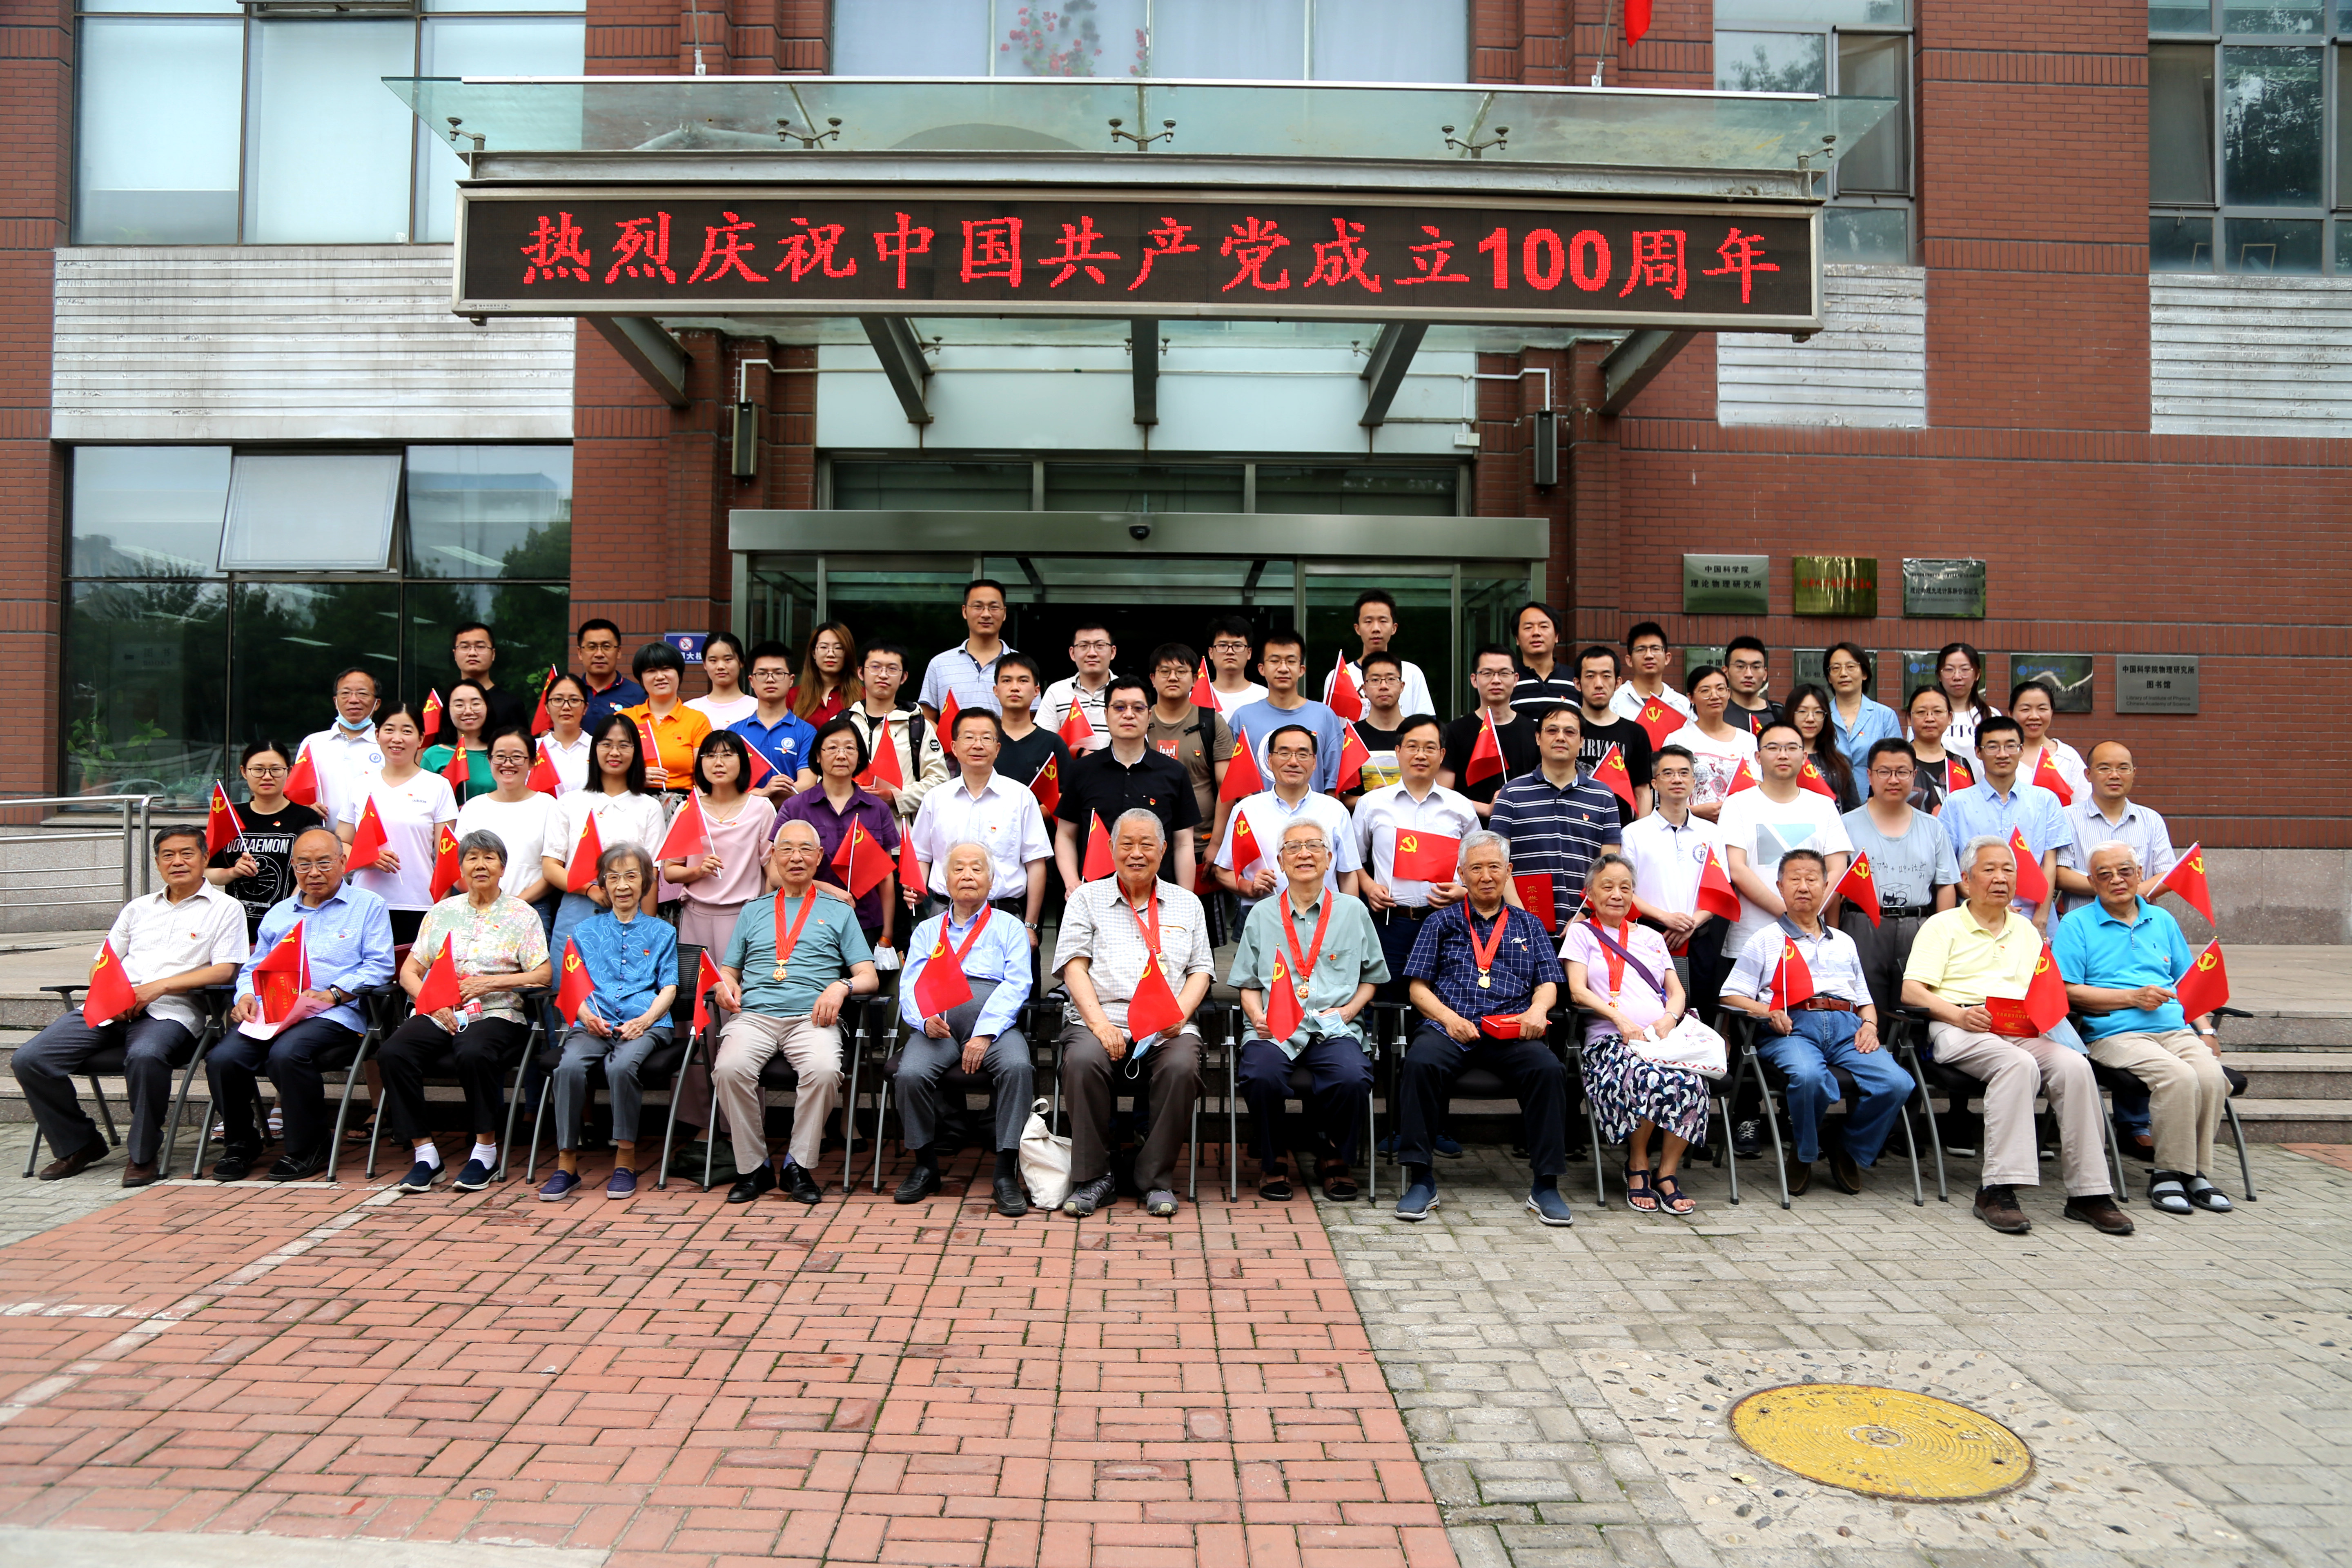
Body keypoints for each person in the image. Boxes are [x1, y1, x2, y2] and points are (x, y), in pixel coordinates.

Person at [1902, 835, 2133, 1237]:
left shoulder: (2025, 929)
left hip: (2019, 1027)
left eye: (2008, 870)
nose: (2001, 878)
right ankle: (1998, 1189)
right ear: (1966, 881)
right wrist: (1960, 1015)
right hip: (1960, 1025)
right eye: (1989, 870)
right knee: (2017, 1064)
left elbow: (2041, 989)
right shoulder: (1942, 925)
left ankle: (2090, 1193)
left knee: (2075, 1066)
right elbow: (1912, 992)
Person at [13, 826, 248, 1185]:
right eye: (168, 855)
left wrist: (157, 987)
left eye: (187, 853)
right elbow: (102, 963)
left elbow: (225, 969)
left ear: (204, 858)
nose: (178, 862)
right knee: (30, 1059)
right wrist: (115, 994)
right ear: (157, 862)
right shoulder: (138, 908)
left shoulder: (226, 909)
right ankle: (80, 1144)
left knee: (146, 1056)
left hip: (173, 1012)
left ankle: (142, 1154)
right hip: (113, 1008)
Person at [1394, 830, 1574, 1226]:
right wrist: (1449, 1019)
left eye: (1495, 867)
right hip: (1450, 1027)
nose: (1486, 876)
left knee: (1548, 1070)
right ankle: (1420, 1180)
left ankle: (1546, 1186)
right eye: (1476, 868)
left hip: (1510, 1030)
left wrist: (1537, 1011)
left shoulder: (1530, 925)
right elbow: (1417, 989)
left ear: (1509, 871)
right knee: (1419, 1064)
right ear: (1462, 874)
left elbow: (1549, 983)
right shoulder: (1440, 922)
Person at [2055, 842, 2234, 1216]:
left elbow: (2188, 982)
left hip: (2174, 1029)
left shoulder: (2163, 920)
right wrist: (2131, 998)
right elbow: (2067, 991)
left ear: (2139, 875)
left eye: (2125, 871)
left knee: (2211, 1076)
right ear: (2092, 882)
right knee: (2178, 1077)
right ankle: (2167, 1173)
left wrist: (2207, 1031)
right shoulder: (2076, 924)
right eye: (2104, 875)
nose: (2116, 880)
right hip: (2113, 1033)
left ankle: (2195, 1173)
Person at [1718, 849, 1909, 1196]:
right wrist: (1767, 1012)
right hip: (1792, 1028)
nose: (1804, 887)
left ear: (1825, 887)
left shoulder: (1845, 942)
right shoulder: (1765, 939)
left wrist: (1870, 1026)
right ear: (1780, 887)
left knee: (1897, 1083)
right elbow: (1730, 996)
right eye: (1795, 879)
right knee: (1808, 1077)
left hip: (1847, 1028)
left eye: (1812, 879)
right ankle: (1805, 1152)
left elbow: (1864, 1000)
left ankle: (1846, 1147)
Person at [1053, 809, 1215, 1218]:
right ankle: (1095, 1178)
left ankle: (1153, 1179)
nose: (1136, 853)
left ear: (1163, 850)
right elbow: (1074, 967)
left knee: (1182, 1066)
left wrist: (1180, 1013)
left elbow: (1201, 970)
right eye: (1127, 844)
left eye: (1147, 845)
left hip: (1167, 1023)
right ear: (1111, 848)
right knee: (1083, 1061)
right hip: (1102, 1017)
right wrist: (1099, 1025)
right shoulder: (1086, 898)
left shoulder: (1187, 903)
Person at [205, 829, 393, 1182]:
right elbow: (254, 968)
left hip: (334, 1012)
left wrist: (334, 994)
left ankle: (309, 1146)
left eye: (324, 863)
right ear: (293, 867)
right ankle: (241, 1143)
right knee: (223, 1059)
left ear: (343, 862)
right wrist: (245, 995)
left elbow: (380, 966)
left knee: (287, 1054)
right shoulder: (280, 913)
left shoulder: (368, 906)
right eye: (304, 865)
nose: (314, 872)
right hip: (275, 1009)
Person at [709, 821, 880, 1204]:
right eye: (786, 849)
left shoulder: (839, 912)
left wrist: (841, 986)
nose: (796, 857)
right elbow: (729, 970)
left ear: (819, 858)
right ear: (774, 856)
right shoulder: (753, 910)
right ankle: (754, 1168)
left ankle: (797, 1166)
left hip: (812, 1018)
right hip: (755, 1016)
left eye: (805, 849)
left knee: (824, 1071)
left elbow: (868, 976)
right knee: (729, 1070)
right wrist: (725, 984)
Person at [382, 830, 552, 1194]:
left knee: (473, 1051)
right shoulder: (442, 912)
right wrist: (434, 1003)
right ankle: (425, 1154)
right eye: (472, 858)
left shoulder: (522, 915)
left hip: (498, 1012)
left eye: (489, 858)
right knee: (394, 1052)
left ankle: (485, 1151)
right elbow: (409, 972)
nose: (480, 865)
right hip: (441, 1010)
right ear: (460, 868)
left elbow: (543, 975)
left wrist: (490, 984)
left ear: (503, 868)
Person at [1231, 821, 1387, 1202]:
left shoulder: (1353, 911)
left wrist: (1350, 1011)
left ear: (1329, 859)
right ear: (1281, 862)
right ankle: (1274, 1158)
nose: (1305, 854)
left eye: (1315, 846)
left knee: (1353, 1076)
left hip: (1334, 1026)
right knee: (1260, 1075)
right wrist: (1256, 1016)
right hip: (1275, 1028)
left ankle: (1334, 1155)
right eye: (1294, 847)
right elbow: (1247, 982)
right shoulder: (1262, 914)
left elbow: (1372, 977)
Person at [893, 841, 1036, 1216]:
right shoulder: (927, 930)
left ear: (991, 880)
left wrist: (985, 1033)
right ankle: (925, 1165)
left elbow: (1018, 984)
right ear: (945, 880)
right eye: (958, 869)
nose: (967, 875)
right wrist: (924, 1019)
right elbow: (910, 985)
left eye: (976, 868)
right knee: (909, 1075)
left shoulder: (1010, 927)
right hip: (938, 1025)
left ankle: (1005, 1172)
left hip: (994, 1025)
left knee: (1018, 1068)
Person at [1563, 853, 1702, 1217]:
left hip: (1660, 1039)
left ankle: (1666, 1173)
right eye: (1607, 887)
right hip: (1610, 1040)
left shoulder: (1653, 938)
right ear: (1590, 893)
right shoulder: (1581, 933)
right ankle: (1637, 1163)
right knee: (1648, 1077)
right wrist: (1620, 1020)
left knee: (1692, 1082)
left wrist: (1669, 1019)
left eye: (1625, 888)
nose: (1617, 895)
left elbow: (1676, 992)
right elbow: (1577, 991)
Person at [539, 842, 678, 1200]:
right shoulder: (584, 931)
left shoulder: (662, 932)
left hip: (644, 1023)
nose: (622, 886)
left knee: (621, 1067)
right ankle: (566, 1165)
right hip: (593, 1022)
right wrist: (586, 1017)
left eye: (631, 876)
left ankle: (625, 1161)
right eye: (613, 878)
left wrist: (645, 1021)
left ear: (645, 882)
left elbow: (669, 987)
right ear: (602, 884)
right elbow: (572, 985)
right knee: (568, 1067)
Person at [1351, 714, 1479, 989]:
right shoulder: (1372, 803)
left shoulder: (1460, 806)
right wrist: (1369, 886)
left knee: (1448, 998)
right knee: (1388, 999)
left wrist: (1465, 892)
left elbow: (1478, 862)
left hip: (1449, 921)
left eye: (1430, 748)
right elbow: (1353, 860)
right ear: (1398, 751)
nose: (1421, 755)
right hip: (1391, 922)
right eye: (1412, 746)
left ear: (1442, 755)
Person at [904, 708, 1053, 944]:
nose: (978, 745)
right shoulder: (935, 799)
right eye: (969, 737)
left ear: (998, 748)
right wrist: (915, 888)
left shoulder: (1021, 797)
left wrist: (1031, 925)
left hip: (1004, 915)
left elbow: (1036, 863)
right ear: (954, 747)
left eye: (986, 738)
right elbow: (921, 856)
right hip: (944, 914)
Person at [1840, 739, 1961, 1020]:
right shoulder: (1846, 824)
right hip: (1863, 925)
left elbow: (1945, 885)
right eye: (1884, 772)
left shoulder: (1933, 827)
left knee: (1917, 1010)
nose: (1893, 780)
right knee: (1865, 1010)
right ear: (1870, 775)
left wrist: (1942, 936)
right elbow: (1836, 888)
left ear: (1914, 775)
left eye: (1902, 772)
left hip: (1918, 927)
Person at [1056, 676, 1199, 893]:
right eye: (1120, 707)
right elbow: (1066, 835)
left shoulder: (1174, 773)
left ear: (1149, 716)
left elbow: (1183, 843)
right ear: (1106, 714)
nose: (1129, 715)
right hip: (1094, 893)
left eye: (1138, 708)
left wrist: (1184, 899)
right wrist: (1072, 883)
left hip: (1158, 895)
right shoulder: (1082, 771)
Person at [1619, 744, 1728, 1018]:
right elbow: (1625, 890)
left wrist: (1692, 923)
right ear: (1655, 783)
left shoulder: (1712, 833)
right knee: (1652, 1014)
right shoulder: (1634, 833)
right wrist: (1666, 918)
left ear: (1693, 781)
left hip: (1699, 937)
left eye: (1684, 773)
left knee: (1699, 1015)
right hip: (1649, 935)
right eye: (1668, 773)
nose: (1677, 779)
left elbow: (1721, 889)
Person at [337, 702, 459, 946]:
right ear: (377, 735)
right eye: (390, 729)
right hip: (364, 903)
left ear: (421, 738)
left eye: (407, 731)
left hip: (420, 904)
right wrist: (368, 857)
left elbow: (446, 856)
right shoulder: (360, 785)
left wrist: (441, 909)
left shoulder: (438, 786)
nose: (397, 739)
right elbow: (340, 845)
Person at [543, 716, 666, 955]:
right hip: (577, 908)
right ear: (594, 749)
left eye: (624, 745)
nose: (615, 752)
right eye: (607, 744)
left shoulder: (649, 807)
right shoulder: (570, 802)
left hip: (631, 913)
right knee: (573, 979)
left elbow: (651, 875)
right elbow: (550, 867)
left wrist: (647, 930)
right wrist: (590, 891)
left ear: (636, 752)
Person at [777, 717, 900, 956]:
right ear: (818, 756)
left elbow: (885, 877)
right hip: (806, 920)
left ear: (860, 757)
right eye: (832, 748)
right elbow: (775, 874)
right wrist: (828, 890)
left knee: (863, 979)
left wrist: (887, 934)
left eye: (850, 748)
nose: (841, 755)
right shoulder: (795, 808)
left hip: (865, 923)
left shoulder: (877, 809)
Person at [1490, 704, 1621, 924]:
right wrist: (1522, 916)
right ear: (1538, 738)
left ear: (1582, 741)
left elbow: (1610, 866)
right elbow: (1496, 862)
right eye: (1552, 731)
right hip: (1521, 920)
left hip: (1587, 923)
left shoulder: (1603, 796)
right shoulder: (1511, 793)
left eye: (1570, 732)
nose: (1561, 737)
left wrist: (1584, 915)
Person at [1938, 716, 2066, 931]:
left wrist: (2042, 917)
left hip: (2033, 918)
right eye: (1993, 747)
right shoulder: (1956, 803)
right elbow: (1949, 867)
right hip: (1975, 919)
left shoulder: (2045, 800)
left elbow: (2049, 863)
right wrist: (1989, 902)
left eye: (2010, 746)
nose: (2003, 754)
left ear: (2022, 750)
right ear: (1978, 752)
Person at [1215, 725, 1361, 905]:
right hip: (1263, 914)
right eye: (1284, 754)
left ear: (1314, 762)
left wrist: (1352, 916)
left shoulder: (1335, 810)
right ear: (1270, 760)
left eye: (1302, 754)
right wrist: (1249, 887)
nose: (1293, 762)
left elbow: (1348, 874)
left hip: (1326, 915)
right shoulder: (1246, 811)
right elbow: (1223, 871)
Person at [662, 730, 779, 953]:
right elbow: (671, 872)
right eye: (710, 756)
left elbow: (771, 872)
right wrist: (698, 871)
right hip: (696, 915)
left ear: (742, 761)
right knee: (697, 976)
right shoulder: (689, 808)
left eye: (727, 755)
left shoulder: (761, 808)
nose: (718, 763)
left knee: (737, 977)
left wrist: (763, 914)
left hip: (744, 915)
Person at [206, 740, 324, 938]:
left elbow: (312, 871)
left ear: (289, 771)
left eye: (276, 770)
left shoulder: (306, 817)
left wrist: (287, 916)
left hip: (289, 924)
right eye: (258, 770)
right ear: (244, 772)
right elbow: (207, 872)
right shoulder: (230, 816)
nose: (267, 777)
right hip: (236, 927)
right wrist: (233, 872)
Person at [1145, 641, 1234, 880]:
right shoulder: (1140, 722)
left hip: (1201, 844)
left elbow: (1227, 787)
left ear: (1195, 679)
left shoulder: (1212, 723)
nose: (1173, 678)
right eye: (1165, 671)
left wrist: (1217, 843)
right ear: (1153, 678)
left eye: (1181, 671)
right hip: (1146, 844)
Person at [454, 729, 560, 929]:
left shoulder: (549, 806)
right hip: (478, 909)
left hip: (531, 908)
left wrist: (513, 905)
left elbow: (554, 868)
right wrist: (487, 902)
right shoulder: (473, 807)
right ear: (489, 760)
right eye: (500, 757)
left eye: (517, 757)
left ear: (532, 762)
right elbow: (457, 866)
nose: (508, 764)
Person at [2057, 741, 2178, 911]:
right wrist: (2113, 889)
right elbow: (2060, 874)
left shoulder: (2151, 820)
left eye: (2123, 768)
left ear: (2134, 773)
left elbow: (2168, 874)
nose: (2114, 775)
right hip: (2086, 921)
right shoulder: (2067, 818)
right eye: (2105, 768)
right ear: (2088, 774)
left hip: (2140, 920)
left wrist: (2133, 892)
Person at [1228, 630, 1351, 794]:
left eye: (1291, 661)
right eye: (1275, 661)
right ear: (1262, 669)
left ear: (1301, 670)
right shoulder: (1243, 718)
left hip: (1313, 810)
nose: (1283, 668)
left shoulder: (1324, 716)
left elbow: (1334, 782)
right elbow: (1235, 780)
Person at [846, 640, 949, 829]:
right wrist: (848, 792)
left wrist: (896, 797)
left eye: (892, 669)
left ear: (904, 677)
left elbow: (940, 781)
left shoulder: (918, 726)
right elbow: (823, 779)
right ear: (861, 672)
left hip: (900, 834)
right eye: (875, 667)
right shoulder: (842, 723)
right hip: (847, 832)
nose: (883, 675)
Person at [1440, 646, 1541, 817]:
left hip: (1524, 826)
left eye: (1504, 673)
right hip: (1471, 828)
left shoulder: (1535, 732)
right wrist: (1487, 809)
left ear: (1516, 679)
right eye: (1487, 673)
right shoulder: (1453, 732)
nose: (1496, 680)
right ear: (1474, 680)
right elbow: (1443, 793)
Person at [1662, 665, 1757, 824]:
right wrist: (1696, 812)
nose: (1715, 696)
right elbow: (1665, 795)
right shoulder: (1678, 740)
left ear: (1729, 693)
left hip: (1739, 826)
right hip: (1691, 826)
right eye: (1705, 691)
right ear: (1691, 697)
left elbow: (1757, 787)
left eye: (1721, 689)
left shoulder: (1748, 740)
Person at [730, 640, 822, 803]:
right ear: (751, 681)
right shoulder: (735, 733)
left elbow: (807, 785)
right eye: (762, 674)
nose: (770, 680)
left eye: (779, 673)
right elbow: (727, 786)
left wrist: (766, 795)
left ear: (791, 680)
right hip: (744, 816)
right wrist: (764, 793)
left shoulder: (806, 732)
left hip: (790, 815)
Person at [1321, 589, 1434, 717]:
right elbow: (1329, 725)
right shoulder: (1339, 677)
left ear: (1394, 628)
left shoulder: (1412, 673)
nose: (1376, 629)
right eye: (1368, 622)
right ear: (1357, 629)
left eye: (1383, 621)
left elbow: (1426, 723)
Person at [1572, 644, 1653, 824]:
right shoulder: (1564, 730)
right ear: (1578, 683)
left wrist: (1638, 833)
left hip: (1619, 831)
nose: (1599, 684)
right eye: (1590, 676)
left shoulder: (1635, 733)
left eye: (1606, 676)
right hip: (1571, 830)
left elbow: (1642, 793)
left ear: (1618, 683)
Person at [299, 667, 385, 831]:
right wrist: (306, 808)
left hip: (374, 839)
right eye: (345, 693)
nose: (354, 700)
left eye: (362, 694)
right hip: (322, 839)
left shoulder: (387, 744)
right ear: (335, 701)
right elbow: (296, 794)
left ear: (377, 704)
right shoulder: (313, 743)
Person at [919, 579, 1017, 722]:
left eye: (994, 607)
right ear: (965, 611)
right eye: (978, 607)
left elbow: (1031, 721)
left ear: (1005, 613)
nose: (986, 614)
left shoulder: (1022, 665)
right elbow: (927, 719)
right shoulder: (940, 664)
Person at [622, 641, 712, 795]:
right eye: (651, 671)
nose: (660, 677)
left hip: (682, 802)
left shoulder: (697, 720)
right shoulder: (625, 719)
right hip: (632, 797)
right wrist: (635, 777)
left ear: (679, 674)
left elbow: (703, 776)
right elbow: (608, 770)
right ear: (641, 679)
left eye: (666, 669)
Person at [991, 653, 1070, 792]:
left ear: (1036, 691)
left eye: (1023, 681)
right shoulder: (983, 740)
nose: (1015, 688)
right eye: (1007, 681)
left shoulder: (1053, 744)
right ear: (996, 691)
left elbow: (1067, 793)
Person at [1042, 620, 1118, 751]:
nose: (1092, 653)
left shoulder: (1128, 691)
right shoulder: (1056, 692)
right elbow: (1044, 743)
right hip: (1069, 765)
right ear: (1072, 653)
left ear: (1113, 652)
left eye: (1100, 646)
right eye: (1084, 646)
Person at [2010, 679, 2088, 806]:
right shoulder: (2001, 755)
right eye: (2025, 709)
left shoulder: (2068, 757)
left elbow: (2083, 804)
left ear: (2052, 712)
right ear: (2011, 713)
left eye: (2042, 709)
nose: (2034, 716)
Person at [1785, 684, 1860, 811]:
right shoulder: (1778, 759)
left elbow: (1853, 811)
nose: (1810, 719)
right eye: (1803, 712)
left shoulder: (1839, 763)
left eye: (1818, 712)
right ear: (1791, 714)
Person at [421, 678, 496, 803]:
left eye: (476, 704)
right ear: (448, 711)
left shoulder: (501, 753)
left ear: (487, 707)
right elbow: (424, 801)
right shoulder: (433, 756)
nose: (468, 711)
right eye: (459, 705)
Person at [1825, 642, 1902, 762]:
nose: (1843, 674)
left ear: (1864, 674)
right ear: (1829, 678)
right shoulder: (1821, 716)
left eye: (1851, 667)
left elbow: (1897, 761)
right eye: (1836, 668)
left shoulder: (1885, 716)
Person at [452, 621, 531, 738]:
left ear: (493, 654)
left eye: (480, 647)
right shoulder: (441, 702)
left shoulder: (511, 705)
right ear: (455, 654)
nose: (472, 653)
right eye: (465, 647)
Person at [1348, 650, 1410, 797]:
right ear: (1364, 689)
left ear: (1402, 686)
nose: (1384, 686)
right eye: (1375, 680)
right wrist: (1372, 800)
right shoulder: (1351, 737)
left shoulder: (1416, 733)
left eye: (1391, 679)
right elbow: (1342, 798)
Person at [1609, 622, 1694, 728]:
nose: (1649, 655)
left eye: (1656, 649)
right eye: (1641, 650)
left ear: (1667, 658)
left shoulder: (1681, 704)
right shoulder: (1614, 701)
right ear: (1629, 660)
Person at [1924, 641, 1997, 765]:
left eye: (1965, 670)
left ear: (1977, 674)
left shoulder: (1992, 715)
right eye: (1949, 670)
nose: (1957, 677)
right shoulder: (1925, 717)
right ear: (1939, 676)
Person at [1902, 685, 1971, 814]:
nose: (1930, 719)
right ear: (1909, 719)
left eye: (1938, 712)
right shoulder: (1896, 763)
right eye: (1921, 712)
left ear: (1950, 718)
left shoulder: (1961, 765)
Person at [576, 618, 646, 732]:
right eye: (592, 647)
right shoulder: (570, 695)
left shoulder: (640, 696)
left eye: (607, 647)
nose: (599, 654)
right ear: (580, 653)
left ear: (619, 652)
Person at [1510, 601, 1578, 712]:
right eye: (1528, 628)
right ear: (1517, 638)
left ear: (1557, 636)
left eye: (1544, 627)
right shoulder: (1507, 680)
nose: (1536, 633)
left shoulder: (1576, 680)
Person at [686, 630, 757, 730]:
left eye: (728, 660)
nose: (720, 667)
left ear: (741, 662)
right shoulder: (691, 709)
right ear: (705, 664)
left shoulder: (757, 708)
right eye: (713, 661)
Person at [791, 620, 858, 725]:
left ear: (848, 653)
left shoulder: (864, 697)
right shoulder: (792, 697)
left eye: (838, 648)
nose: (831, 654)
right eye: (824, 647)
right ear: (814, 653)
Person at [537, 673, 594, 795]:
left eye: (574, 700)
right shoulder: (533, 749)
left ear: (585, 708)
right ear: (547, 707)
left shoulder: (598, 748)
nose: (566, 707)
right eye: (558, 700)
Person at [1202, 615, 1266, 718]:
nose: (1230, 652)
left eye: (1238, 646)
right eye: (1223, 646)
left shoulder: (1266, 697)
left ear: (1249, 653)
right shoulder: (1195, 698)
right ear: (1211, 653)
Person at [1723, 637, 1778, 734]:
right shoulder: (1717, 712)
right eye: (1741, 667)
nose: (1749, 674)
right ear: (1726, 672)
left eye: (1756, 667)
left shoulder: (1779, 713)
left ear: (1765, 674)